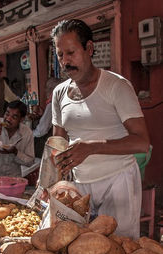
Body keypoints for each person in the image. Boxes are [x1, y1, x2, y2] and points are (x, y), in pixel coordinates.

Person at [50, 19, 150, 239]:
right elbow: (58, 142)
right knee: (77, 247)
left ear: (89, 48)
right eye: (60, 55)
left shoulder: (116, 86)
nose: (65, 61)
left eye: (71, 52)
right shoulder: (59, 93)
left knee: (119, 248)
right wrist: (52, 182)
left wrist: (91, 148)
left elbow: (142, 142)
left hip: (118, 181)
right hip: (79, 185)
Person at [0, 100, 35, 177]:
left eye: (14, 117)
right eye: (7, 114)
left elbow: (30, 162)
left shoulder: (27, 133)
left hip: (13, 179)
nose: (8, 119)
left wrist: (15, 152)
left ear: (21, 119)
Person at [33, 77, 62, 158]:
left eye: (47, 88)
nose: (45, 91)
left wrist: (30, 134)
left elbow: (41, 131)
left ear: (52, 89)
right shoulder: (60, 102)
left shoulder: (52, 104)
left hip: (51, 143)